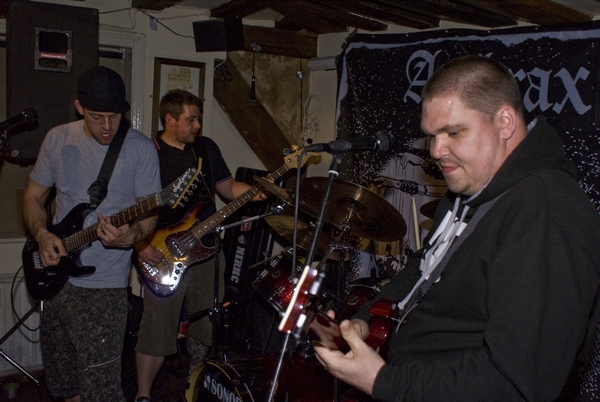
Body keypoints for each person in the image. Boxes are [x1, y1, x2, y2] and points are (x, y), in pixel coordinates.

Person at [313, 55, 600, 401]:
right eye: (431, 136)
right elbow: (422, 268)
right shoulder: (469, 188)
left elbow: (518, 383)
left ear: (505, 122)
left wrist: (384, 383)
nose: (436, 151)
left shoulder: (545, 211)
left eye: (453, 132)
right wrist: (366, 320)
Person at [22, 66, 162, 401]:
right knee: (64, 383)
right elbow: (33, 197)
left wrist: (130, 236)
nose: (107, 126)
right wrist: (42, 234)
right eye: (97, 116)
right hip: (56, 281)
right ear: (79, 107)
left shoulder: (140, 149)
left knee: (102, 391)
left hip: (104, 289)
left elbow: (149, 215)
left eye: (114, 117)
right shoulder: (57, 139)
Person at [134, 89, 268, 402]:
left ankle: (193, 386)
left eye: (199, 119)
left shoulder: (206, 148)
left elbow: (227, 187)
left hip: (206, 250)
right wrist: (140, 245)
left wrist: (257, 192)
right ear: (169, 120)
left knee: (206, 324)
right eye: (191, 119)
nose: (197, 125)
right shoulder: (148, 153)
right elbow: (131, 207)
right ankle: (142, 395)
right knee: (157, 329)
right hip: (161, 253)